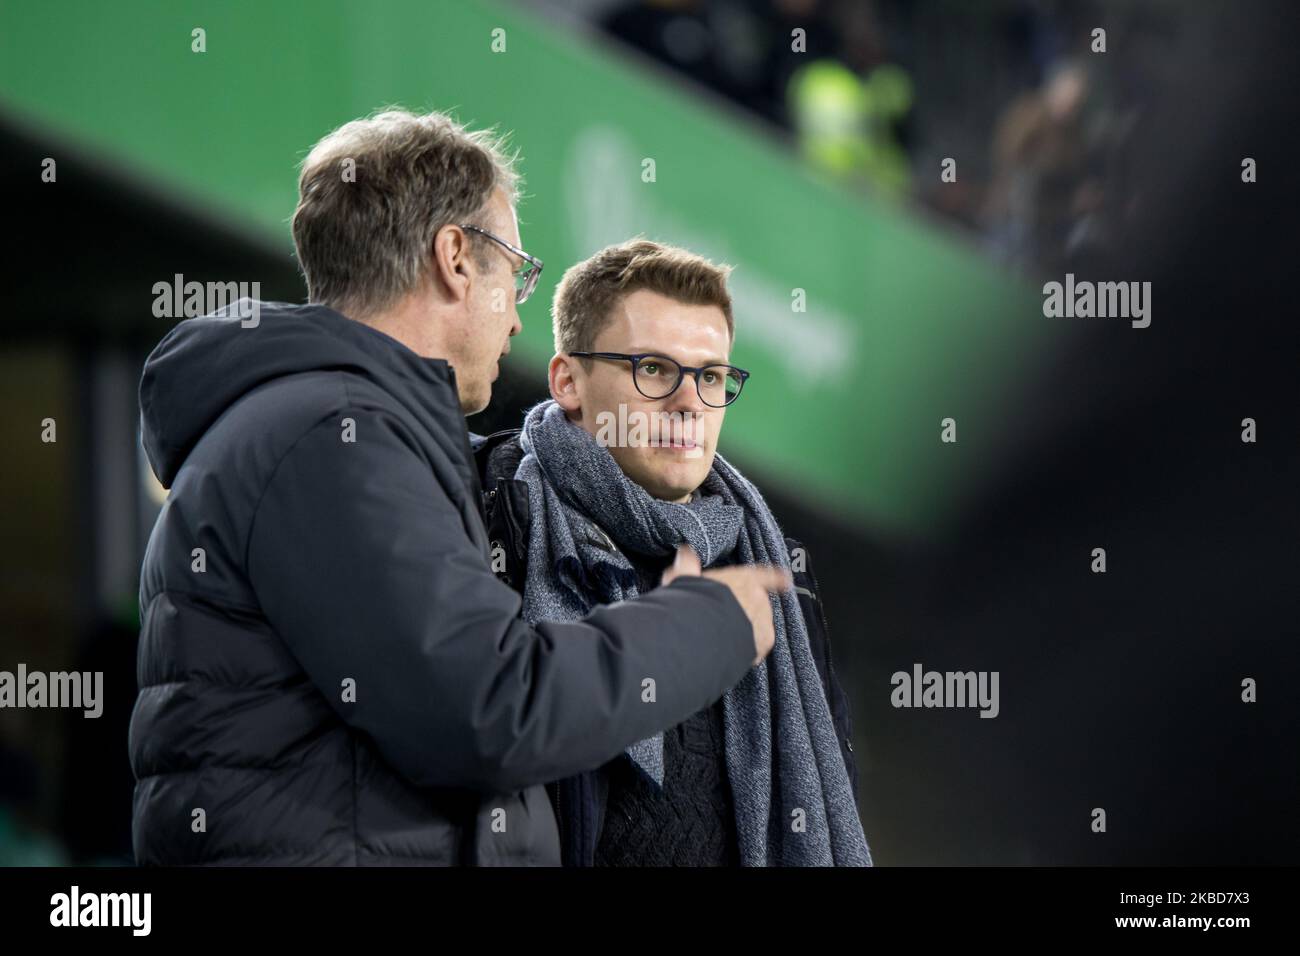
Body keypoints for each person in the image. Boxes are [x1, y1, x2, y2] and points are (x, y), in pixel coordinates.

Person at [128, 110, 789, 866]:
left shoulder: (334, 424)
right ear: (454, 258)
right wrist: (701, 626)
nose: (515, 317)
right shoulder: (336, 436)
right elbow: (492, 711)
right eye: (516, 271)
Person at [476, 240, 870, 865]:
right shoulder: (489, 509)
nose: (689, 402)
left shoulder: (772, 572)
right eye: (654, 369)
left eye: (710, 376)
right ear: (568, 381)